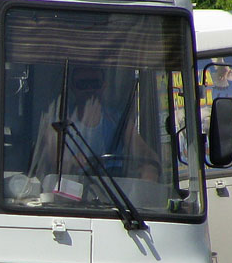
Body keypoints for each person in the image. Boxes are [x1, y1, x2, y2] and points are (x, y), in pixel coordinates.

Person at [29, 65, 158, 181]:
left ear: (103, 86)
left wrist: (149, 170)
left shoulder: (119, 122)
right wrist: (73, 163)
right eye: (82, 84)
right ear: (73, 88)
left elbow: (149, 158)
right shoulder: (57, 124)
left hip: (115, 195)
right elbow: (55, 167)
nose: (89, 90)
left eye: (94, 84)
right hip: (71, 195)